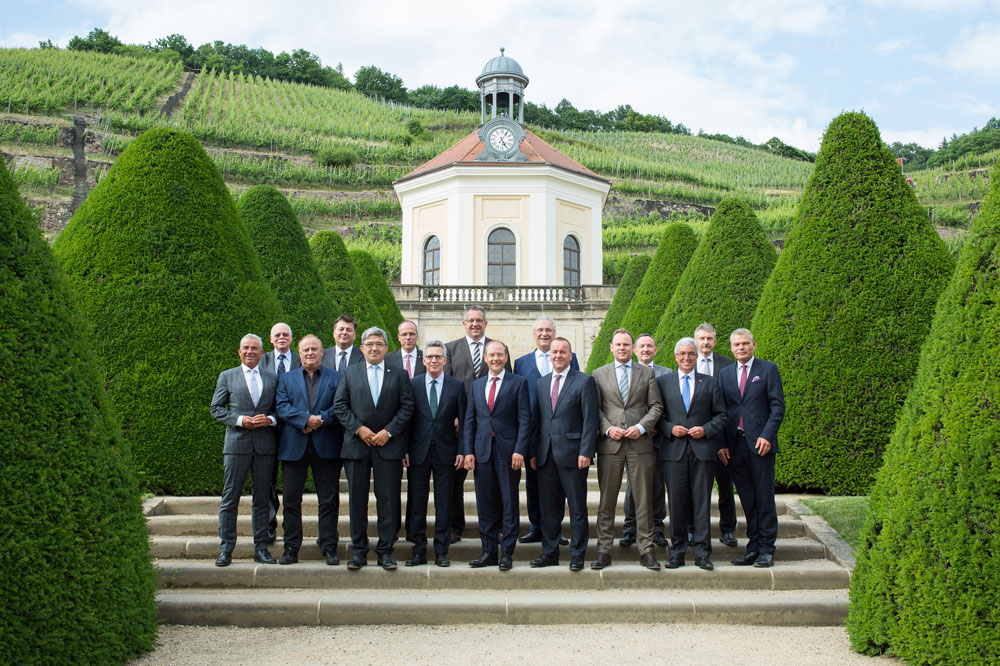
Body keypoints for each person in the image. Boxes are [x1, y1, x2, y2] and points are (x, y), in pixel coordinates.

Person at [333, 327, 414, 570]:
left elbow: (407, 407)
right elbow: (340, 406)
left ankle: (385, 552)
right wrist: (360, 429)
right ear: (362, 348)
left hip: (388, 446)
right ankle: (358, 552)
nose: (374, 348)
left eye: (379, 344)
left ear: (387, 348)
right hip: (357, 446)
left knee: (388, 501)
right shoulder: (349, 373)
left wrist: (387, 432)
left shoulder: (399, 374)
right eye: (369, 344)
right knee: (357, 501)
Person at [591, 329, 664, 571]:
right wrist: (608, 429)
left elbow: (656, 406)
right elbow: (596, 409)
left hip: (640, 444)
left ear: (633, 348)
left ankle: (647, 550)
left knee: (643, 500)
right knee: (607, 501)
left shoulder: (647, 373)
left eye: (626, 345)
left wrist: (642, 428)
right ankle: (603, 550)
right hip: (610, 446)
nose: (622, 348)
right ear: (611, 347)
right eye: (618, 344)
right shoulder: (599, 374)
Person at [656, 337, 727, 571]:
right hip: (674, 452)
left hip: (702, 451)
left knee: (701, 504)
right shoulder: (663, 382)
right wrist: (670, 429)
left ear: (697, 357)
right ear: (675, 357)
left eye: (691, 354)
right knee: (676, 504)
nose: (686, 358)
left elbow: (721, 415)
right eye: (682, 354)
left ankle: (702, 553)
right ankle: (676, 552)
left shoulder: (710, 382)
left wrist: (705, 429)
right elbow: (657, 416)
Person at [717, 328, 785, 568]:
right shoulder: (725, 374)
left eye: (745, 344)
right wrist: (722, 444)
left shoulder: (768, 370)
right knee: (747, 499)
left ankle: (767, 548)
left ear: (753, 345)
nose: (741, 348)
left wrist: (767, 436)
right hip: (735, 447)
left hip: (760, 445)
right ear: (731, 348)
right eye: (736, 345)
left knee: (764, 497)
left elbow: (778, 407)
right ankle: (753, 547)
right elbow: (721, 412)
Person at [209, 334, 279, 567]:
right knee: (230, 499)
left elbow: (281, 410)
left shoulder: (272, 378)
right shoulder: (227, 376)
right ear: (239, 352)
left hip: (264, 447)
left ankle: (261, 548)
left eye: (254, 348)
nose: (250, 352)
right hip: (237, 445)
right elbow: (216, 409)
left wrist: (269, 419)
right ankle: (226, 549)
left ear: (262, 352)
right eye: (246, 348)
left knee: (262, 500)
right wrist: (239, 420)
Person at [529, 337, 597, 572]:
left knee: (577, 509)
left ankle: (578, 554)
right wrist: (533, 452)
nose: (558, 355)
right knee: (548, 509)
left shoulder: (585, 381)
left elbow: (590, 420)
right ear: (550, 356)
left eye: (563, 352)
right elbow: (536, 420)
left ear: (570, 356)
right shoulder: (541, 383)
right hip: (546, 455)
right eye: (554, 352)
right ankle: (550, 553)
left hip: (573, 455)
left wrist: (586, 451)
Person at [274, 334, 343, 566]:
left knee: (329, 500)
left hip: (327, 446)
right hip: (295, 446)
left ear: (322, 352)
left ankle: (329, 546)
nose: (310, 353)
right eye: (306, 350)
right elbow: (282, 407)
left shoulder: (336, 377)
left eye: (315, 349)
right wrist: (305, 420)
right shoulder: (286, 379)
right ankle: (291, 547)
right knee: (292, 501)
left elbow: (341, 406)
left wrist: (321, 419)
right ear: (299, 352)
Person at [444, 306, 511, 544]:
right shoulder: (451, 349)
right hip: (457, 426)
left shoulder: (498, 348)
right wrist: (452, 415)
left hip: (491, 429)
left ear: (485, 323)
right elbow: (448, 386)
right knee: (455, 480)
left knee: (497, 481)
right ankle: (455, 526)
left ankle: (501, 525)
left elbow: (508, 388)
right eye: (470, 320)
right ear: (464, 323)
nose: (475, 324)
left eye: (479, 320)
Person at [462, 340, 530, 571]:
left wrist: (520, 449)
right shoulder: (477, 385)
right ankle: (488, 551)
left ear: (506, 357)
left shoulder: (519, 383)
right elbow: (470, 420)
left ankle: (507, 553)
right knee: (485, 504)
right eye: (491, 355)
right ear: (485, 358)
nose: (495, 359)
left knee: (510, 504)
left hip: (509, 453)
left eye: (500, 355)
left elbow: (524, 420)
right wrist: (468, 450)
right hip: (482, 453)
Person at [513, 315, 576, 546]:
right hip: (532, 432)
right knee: (533, 483)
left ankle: (555, 528)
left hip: (560, 433)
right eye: (540, 330)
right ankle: (536, 526)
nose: (544, 334)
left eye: (548, 330)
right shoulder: (521, 363)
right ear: (533, 334)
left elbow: (575, 389)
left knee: (557, 486)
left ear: (554, 332)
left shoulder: (571, 358)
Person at [403, 341, 467, 567]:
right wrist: (405, 450)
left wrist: (462, 451)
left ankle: (441, 551)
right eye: (429, 356)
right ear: (423, 360)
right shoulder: (412, 384)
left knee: (444, 504)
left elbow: (465, 423)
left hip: (446, 453)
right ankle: (418, 550)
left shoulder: (456, 386)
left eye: (438, 357)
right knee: (417, 503)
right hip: (418, 453)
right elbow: (406, 420)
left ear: (445, 360)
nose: (433, 360)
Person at [621, 333, 669, 548]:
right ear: (634, 350)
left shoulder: (667, 374)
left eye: (650, 346)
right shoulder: (627, 373)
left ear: (655, 350)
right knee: (633, 484)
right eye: (641, 346)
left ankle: (658, 528)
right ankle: (630, 528)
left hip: (659, 437)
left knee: (658, 484)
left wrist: (657, 427)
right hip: (634, 437)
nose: (646, 350)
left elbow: (669, 405)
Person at [693, 322, 738, 548]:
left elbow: (729, 405)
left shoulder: (727, 365)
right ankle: (694, 530)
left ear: (715, 341)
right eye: (702, 339)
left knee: (724, 485)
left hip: (720, 435)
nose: (706, 343)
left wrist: (721, 439)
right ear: (696, 341)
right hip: (694, 437)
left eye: (709, 339)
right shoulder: (687, 363)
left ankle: (728, 529)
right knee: (696, 487)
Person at [259, 322, 301, 544]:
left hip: (294, 428)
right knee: (267, 480)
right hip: (267, 428)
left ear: (292, 338)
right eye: (278, 335)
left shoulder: (300, 359)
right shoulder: (261, 359)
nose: (282, 337)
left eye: (285, 334)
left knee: (292, 486)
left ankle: (292, 530)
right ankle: (268, 528)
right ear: (271, 338)